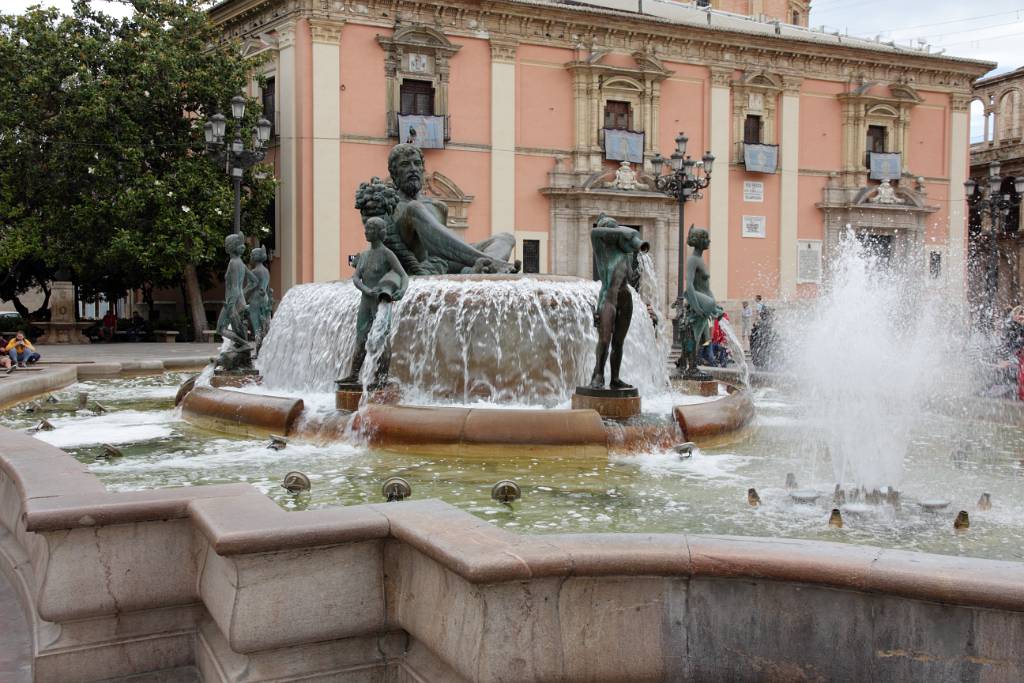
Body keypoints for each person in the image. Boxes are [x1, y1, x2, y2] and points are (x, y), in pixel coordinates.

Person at [386, 144, 519, 275]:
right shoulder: (388, 204)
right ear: (393, 172)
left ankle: (482, 268)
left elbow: (444, 251)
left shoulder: (438, 206)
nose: (413, 169)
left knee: (505, 238)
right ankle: (491, 263)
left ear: (422, 169)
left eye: (417, 163)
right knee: (414, 207)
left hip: (444, 261)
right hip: (416, 264)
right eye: (405, 164)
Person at [338, 216, 409, 385]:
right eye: (366, 228)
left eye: (369, 229)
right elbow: (355, 278)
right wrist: (366, 290)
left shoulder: (387, 254)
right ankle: (354, 375)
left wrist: (401, 291)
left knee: (382, 338)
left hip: (381, 302)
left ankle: (381, 377)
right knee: (361, 337)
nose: (366, 231)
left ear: (378, 232)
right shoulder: (363, 255)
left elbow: (403, 275)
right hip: (366, 300)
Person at [587, 213, 648, 390]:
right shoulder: (601, 247)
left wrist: (624, 234)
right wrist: (620, 232)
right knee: (604, 340)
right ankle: (598, 375)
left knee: (619, 343)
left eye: (616, 228)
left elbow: (631, 235)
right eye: (610, 229)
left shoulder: (624, 252)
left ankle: (615, 378)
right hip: (608, 298)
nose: (614, 233)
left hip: (625, 298)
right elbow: (597, 232)